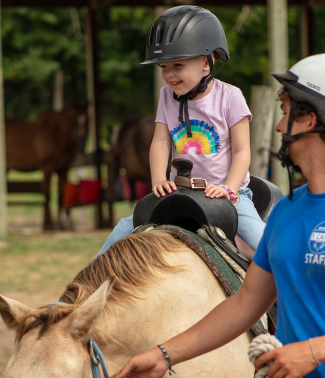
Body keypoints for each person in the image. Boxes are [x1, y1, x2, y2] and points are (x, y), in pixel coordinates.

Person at [107, 53, 325, 378]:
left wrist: (312, 351)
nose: (279, 127)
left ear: (311, 120)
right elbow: (244, 305)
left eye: (286, 114)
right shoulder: (286, 211)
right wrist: (163, 356)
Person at [98, 6, 266, 255]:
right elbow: (160, 143)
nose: (170, 75)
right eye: (164, 67)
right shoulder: (166, 96)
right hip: (181, 190)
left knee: (262, 240)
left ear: (207, 63)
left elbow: (242, 152)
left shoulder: (231, 97)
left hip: (228, 192)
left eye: (177, 65)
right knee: (123, 231)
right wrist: (158, 180)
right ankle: (84, 288)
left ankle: (294, 284)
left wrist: (228, 189)